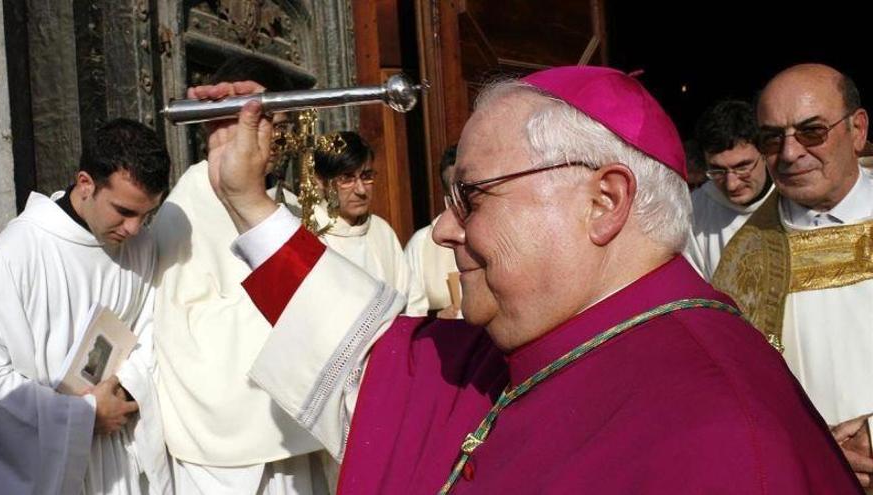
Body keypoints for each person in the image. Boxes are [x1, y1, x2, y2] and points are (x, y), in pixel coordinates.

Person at [198, 65, 862, 493]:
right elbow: (358, 367)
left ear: (603, 202)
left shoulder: (720, 439)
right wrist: (246, 197)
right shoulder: (545, 343)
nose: (445, 231)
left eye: (475, 196)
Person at [151, 55, 333, 495]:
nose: (281, 143)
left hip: (293, 434)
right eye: (274, 126)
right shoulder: (189, 203)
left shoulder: (287, 205)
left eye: (284, 128)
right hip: (223, 460)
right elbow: (178, 332)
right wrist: (287, 315)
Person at [712, 63, 873, 487]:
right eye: (772, 138)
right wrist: (807, 449)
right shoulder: (744, 256)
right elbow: (727, 394)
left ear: (857, 130)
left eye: (811, 132)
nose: (789, 153)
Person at [0, 119, 171, 494]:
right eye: (123, 210)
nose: (134, 229)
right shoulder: (18, 251)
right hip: (45, 462)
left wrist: (124, 391)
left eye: (147, 215)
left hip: (119, 456)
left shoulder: (142, 247)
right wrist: (83, 415)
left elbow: (155, 333)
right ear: (86, 183)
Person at [311, 131, 428, 316]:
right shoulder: (311, 236)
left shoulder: (381, 231)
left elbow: (413, 301)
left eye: (366, 176)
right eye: (346, 178)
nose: (361, 190)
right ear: (321, 182)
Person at [684, 100, 773, 279]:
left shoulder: (793, 198)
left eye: (742, 167)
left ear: (765, 153)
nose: (731, 184)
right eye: (717, 170)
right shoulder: (694, 211)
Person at [404, 145, 461, 318]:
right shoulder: (421, 244)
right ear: (447, 200)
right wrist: (436, 320)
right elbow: (412, 314)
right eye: (458, 190)